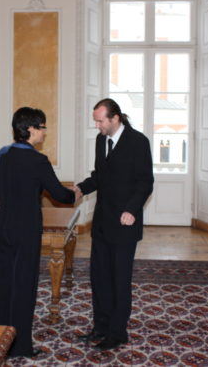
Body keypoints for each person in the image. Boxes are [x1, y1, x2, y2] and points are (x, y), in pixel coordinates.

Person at [0, 107, 76, 358]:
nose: (44, 132)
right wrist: (76, 193)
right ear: (29, 129)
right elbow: (60, 195)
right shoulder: (38, 161)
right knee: (24, 285)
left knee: (4, 284)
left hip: (3, 225)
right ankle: (20, 346)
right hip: (26, 228)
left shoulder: (2, 154)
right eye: (42, 127)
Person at [75, 98, 154, 351]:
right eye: (96, 121)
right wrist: (80, 188)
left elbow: (145, 182)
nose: (97, 126)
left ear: (115, 118)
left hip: (125, 223)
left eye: (100, 121)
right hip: (102, 222)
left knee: (119, 279)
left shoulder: (138, 142)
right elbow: (100, 176)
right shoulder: (101, 140)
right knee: (99, 277)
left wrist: (132, 209)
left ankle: (118, 332)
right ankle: (101, 327)